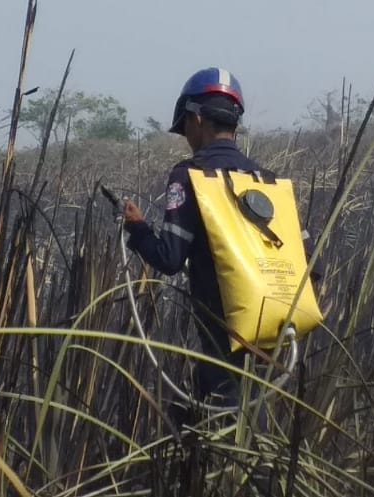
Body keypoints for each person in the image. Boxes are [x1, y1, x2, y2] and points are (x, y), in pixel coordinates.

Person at [122, 67, 288, 406]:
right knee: (251, 413)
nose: (186, 135)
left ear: (197, 119)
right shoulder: (266, 180)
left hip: (220, 327)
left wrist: (138, 228)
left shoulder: (190, 175)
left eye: (185, 126)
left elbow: (168, 258)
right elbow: (307, 260)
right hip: (271, 326)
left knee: (220, 411)